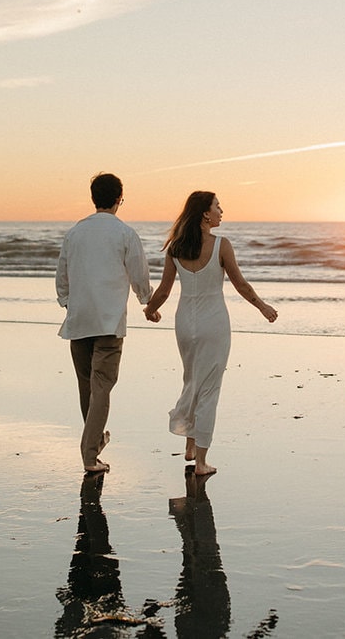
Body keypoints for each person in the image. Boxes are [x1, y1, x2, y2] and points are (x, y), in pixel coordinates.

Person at [144, 192, 277, 476]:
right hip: (214, 324)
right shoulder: (221, 246)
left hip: (184, 325)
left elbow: (164, 290)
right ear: (205, 214)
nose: (221, 211)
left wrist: (150, 310)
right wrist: (263, 307)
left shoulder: (176, 247)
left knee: (192, 379)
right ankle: (201, 461)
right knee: (208, 389)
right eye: (217, 206)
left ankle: (191, 443)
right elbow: (240, 284)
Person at [56, 172, 153, 475]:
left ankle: (95, 443)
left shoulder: (75, 233)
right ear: (119, 198)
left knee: (88, 387)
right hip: (109, 322)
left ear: (94, 198)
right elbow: (139, 275)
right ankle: (89, 454)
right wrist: (146, 299)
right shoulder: (125, 234)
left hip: (80, 319)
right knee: (102, 388)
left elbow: (62, 276)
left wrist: (67, 302)